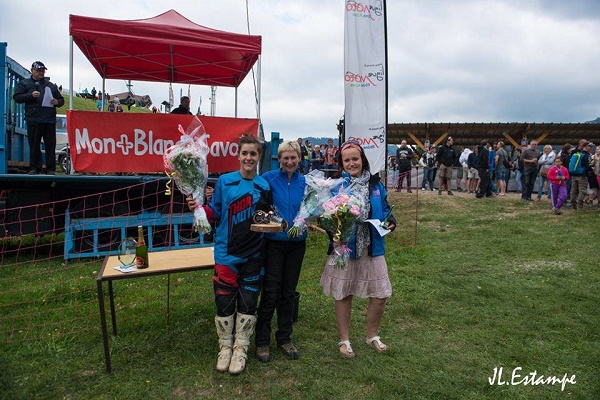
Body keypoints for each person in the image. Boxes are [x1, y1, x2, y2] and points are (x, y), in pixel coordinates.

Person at [188, 135, 271, 375]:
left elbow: (267, 217)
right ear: (238, 155)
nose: (248, 158)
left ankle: (241, 348)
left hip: (254, 254)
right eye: (245, 153)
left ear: (259, 158)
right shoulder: (225, 182)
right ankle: (225, 347)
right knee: (224, 303)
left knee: (248, 303)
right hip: (226, 254)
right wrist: (198, 208)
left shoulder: (264, 185)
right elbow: (214, 212)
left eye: (253, 154)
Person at [320, 141, 396, 358]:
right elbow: (326, 215)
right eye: (347, 160)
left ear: (363, 160)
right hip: (345, 247)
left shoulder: (376, 185)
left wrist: (391, 220)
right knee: (344, 293)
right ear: (342, 164)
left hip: (372, 246)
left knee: (380, 295)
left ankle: (372, 335)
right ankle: (344, 340)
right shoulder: (336, 185)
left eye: (356, 158)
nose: (352, 163)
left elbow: (386, 208)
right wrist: (333, 233)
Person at [255, 141, 307, 362]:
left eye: (293, 157)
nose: (289, 162)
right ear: (279, 159)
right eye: (285, 158)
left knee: (288, 292)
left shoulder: (306, 182)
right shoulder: (268, 179)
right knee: (271, 291)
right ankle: (262, 341)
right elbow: (258, 203)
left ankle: (285, 338)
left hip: (297, 243)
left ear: (299, 158)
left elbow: (314, 207)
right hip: (273, 243)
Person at [13, 61, 65, 175]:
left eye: (42, 71)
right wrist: (30, 95)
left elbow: (61, 100)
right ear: (32, 70)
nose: (41, 73)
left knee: (50, 145)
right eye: (38, 71)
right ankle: (35, 167)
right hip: (33, 118)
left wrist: (57, 102)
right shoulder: (24, 84)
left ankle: (50, 168)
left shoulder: (50, 85)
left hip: (49, 119)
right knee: (34, 144)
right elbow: (17, 97)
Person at [569, 140, 592, 210]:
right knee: (582, 191)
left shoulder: (577, 154)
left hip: (574, 175)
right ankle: (579, 206)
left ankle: (573, 205)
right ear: (586, 147)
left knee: (573, 190)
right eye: (590, 146)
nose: (591, 148)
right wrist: (592, 168)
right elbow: (588, 167)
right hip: (582, 176)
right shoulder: (586, 156)